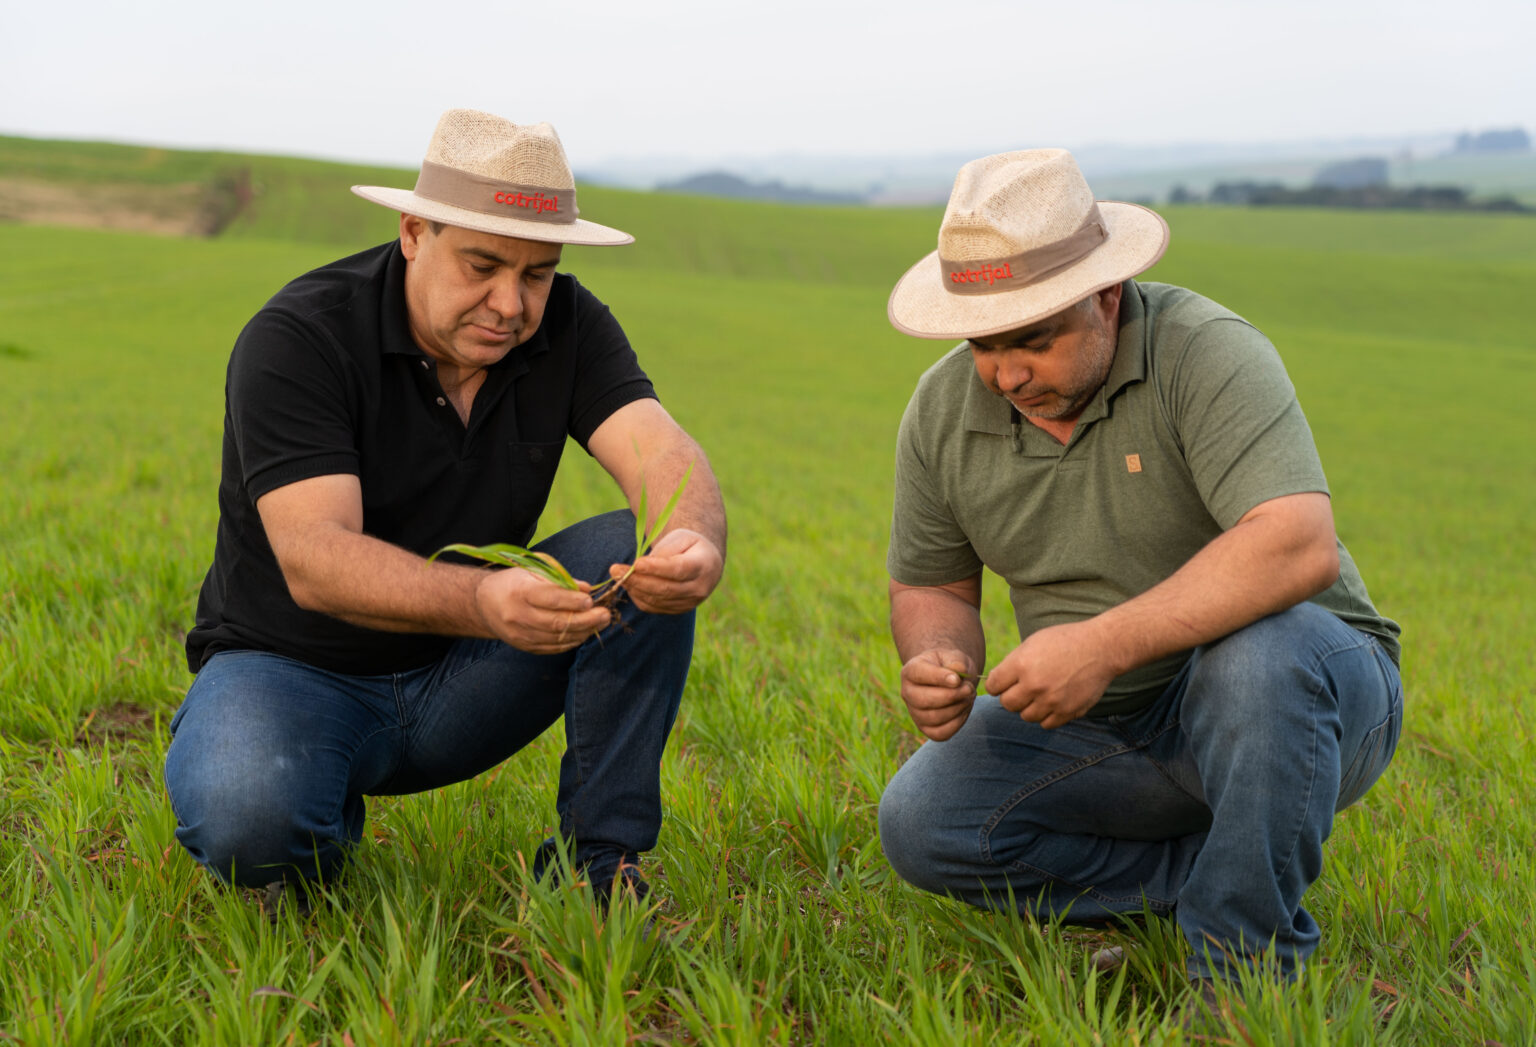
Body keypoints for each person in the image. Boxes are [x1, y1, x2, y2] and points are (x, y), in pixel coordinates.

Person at [165, 109, 726, 911]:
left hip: (464, 677)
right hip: (291, 668)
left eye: (537, 273)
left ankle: (597, 864)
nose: (511, 303)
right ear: (414, 233)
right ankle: (306, 821)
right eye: (483, 264)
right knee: (248, 815)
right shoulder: (301, 337)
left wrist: (694, 541)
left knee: (643, 546)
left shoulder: (567, 324)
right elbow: (314, 556)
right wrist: (482, 600)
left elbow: (663, 454)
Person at [876, 150, 1402, 997]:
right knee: (924, 821)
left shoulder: (1206, 353)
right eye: (983, 345)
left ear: (1105, 296)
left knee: (1257, 656)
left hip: (1309, 697)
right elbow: (931, 583)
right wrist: (937, 655)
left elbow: (1298, 543)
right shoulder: (941, 411)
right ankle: (1203, 885)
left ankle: (1244, 976)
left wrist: (1102, 645)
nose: (1006, 374)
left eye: (1034, 341)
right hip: (1108, 724)